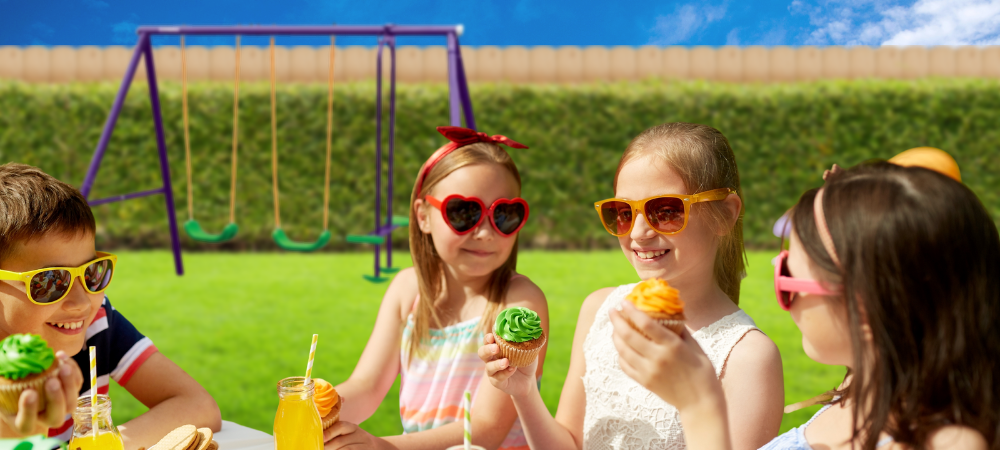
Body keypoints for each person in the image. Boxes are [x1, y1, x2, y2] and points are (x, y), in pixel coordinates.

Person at [614, 161, 998, 449]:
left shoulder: (949, 444)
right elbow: (928, 238)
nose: (777, 281)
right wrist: (852, 196)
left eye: (787, 281)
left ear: (865, 307)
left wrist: (698, 405)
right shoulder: (868, 386)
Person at [480, 122, 784, 449]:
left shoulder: (748, 358)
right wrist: (525, 393)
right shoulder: (599, 309)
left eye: (665, 211)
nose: (638, 232)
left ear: (725, 214)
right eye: (622, 212)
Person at [325, 127, 548, 450]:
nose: (486, 232)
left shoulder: (519, 304)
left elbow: (484, 429)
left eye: (504, 214)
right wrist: (320, 407)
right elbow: (367, 386)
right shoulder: (407, 290)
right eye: (464, 212)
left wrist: (382, 447)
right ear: (423, 216)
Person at [0, 163, 221, 449]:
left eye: (93, 273)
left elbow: (198, 405)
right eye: (51, 281)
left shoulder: (98, 322)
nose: (81, 302)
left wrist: (104, 443)